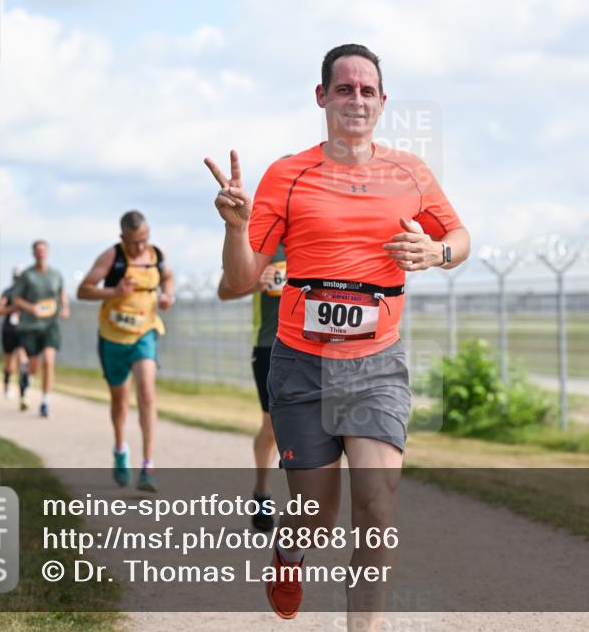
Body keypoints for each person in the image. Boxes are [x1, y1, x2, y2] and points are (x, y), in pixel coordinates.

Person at [206, 43, 470, 625]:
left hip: (377, 366)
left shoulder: (410, 173)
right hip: (301, 364)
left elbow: (460, 239)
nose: (356, 99)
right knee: (317, 515)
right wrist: (238, 226)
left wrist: (437, 249)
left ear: (382, 102)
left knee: (377, 508)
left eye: (367, 90)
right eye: (344, 88)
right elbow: (242, 276)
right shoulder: (288, 174)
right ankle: (289, 551)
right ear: (322, 96)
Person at [77, 211, 175, 493]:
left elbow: (168, 278)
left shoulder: (157, 254)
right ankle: (120, 449)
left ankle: (148, 465)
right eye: (134, 242)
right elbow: (83, 290)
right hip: (112, 337)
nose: (140, 247)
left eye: (144, 240)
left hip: (145, 333)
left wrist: (168, 295)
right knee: (120, 401)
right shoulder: (111, 257)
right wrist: (114, 292)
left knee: (146, 393)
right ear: (123, 238)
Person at [218, 244, 286, 532]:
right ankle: (262, 492)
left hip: (315, 345)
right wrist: (256, 284)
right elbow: (225, 290)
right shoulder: (264, 242)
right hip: (270, 345)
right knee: (271, 426)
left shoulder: (318, 234)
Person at [11, 241, 69, 417]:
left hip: (50, 326)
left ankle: (45, 402)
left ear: (48, 252)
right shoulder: (27, 276)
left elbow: (61, 293)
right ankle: (26, 377)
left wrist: (65, 307)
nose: (41, 253)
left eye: (43, 250)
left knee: (49, 361)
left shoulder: (56, 274)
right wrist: (30, 308)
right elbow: (16, 299)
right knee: (33, 367)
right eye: (38, 251)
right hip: (30, 326)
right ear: (33, 253)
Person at [0, 266, 27, 402]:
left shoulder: (29, 293)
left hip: (24, 331)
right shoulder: (8, 292)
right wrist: (13, 308)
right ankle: (7, 386)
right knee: (9, 364)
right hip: (9, 330)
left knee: (23, 361)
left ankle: (23, 393)